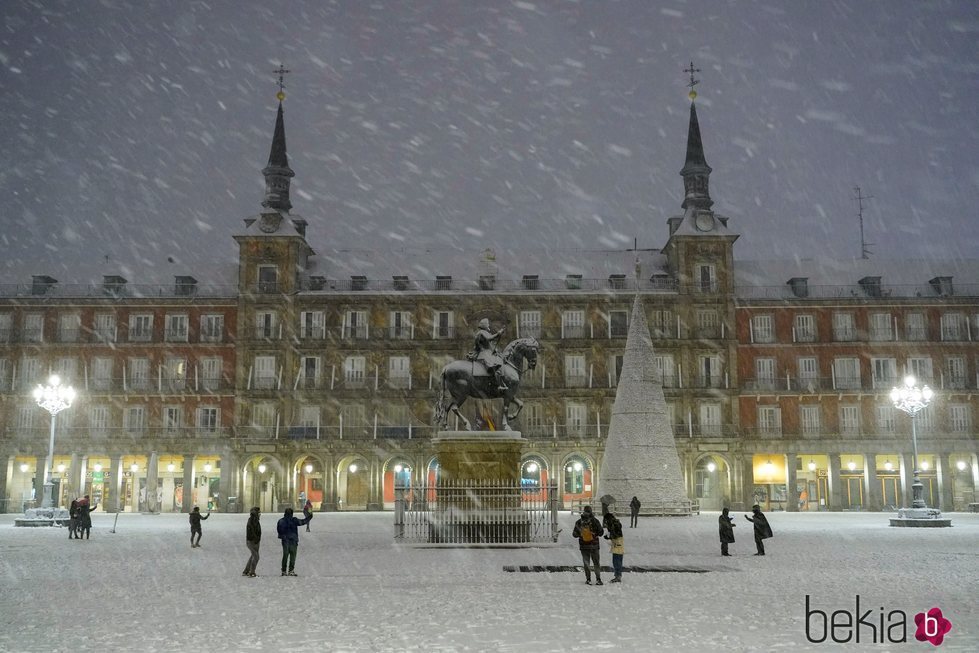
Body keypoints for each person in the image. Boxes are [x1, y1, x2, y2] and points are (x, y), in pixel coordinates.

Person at [468, 318, 507, 391]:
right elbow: (490, 338)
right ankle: (497, 385)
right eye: (488, 324)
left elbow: (490, 344)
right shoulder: (481, 332)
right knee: (494, 367)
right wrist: (498, 333)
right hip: (483, 354)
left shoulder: (484, 332)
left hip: (487, 353)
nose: (489, 325)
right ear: (484, 325)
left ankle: (501, 382)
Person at [572, 505, 604, 585]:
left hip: (584, 546)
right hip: (594, 545)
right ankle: (598, 579)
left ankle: (588, 579)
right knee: (596, 563)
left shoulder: (579, 522)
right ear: (591, 511)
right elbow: (601, 533)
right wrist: (594, 533)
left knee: (586, 563)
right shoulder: (595, 521)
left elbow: (574, 534)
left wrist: (581, 534)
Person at [276, 507, 311, 576]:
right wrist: (309, 517)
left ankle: (283, 570)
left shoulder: (281, 521)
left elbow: (279, 530)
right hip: (293, 540)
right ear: (292, 514)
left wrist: (282, 536)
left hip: (285, 540)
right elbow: (302, 522)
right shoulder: (294, 520)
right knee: (292, 556)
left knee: (285, 555)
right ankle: (291, 570)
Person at [603, 511, 625, 583]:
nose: (605, 522)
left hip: (617, 543)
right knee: (617, 560)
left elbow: (616, 534)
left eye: (605, 520)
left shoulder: (613, 524)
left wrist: (609, 537)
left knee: (616, 561)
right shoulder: (614, 523)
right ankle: (618, 575)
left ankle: (618, 576)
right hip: (618, 543)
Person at [242, 507, 262, 577]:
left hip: (255, 541)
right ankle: (252, 572)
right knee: (256, 556)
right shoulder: (252, 520)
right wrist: (256, 538)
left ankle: (246, 571)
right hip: (251, 541)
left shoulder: (255, 520)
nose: (260, 514)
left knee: (253, 556)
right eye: (259, 512)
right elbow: (251, 531)